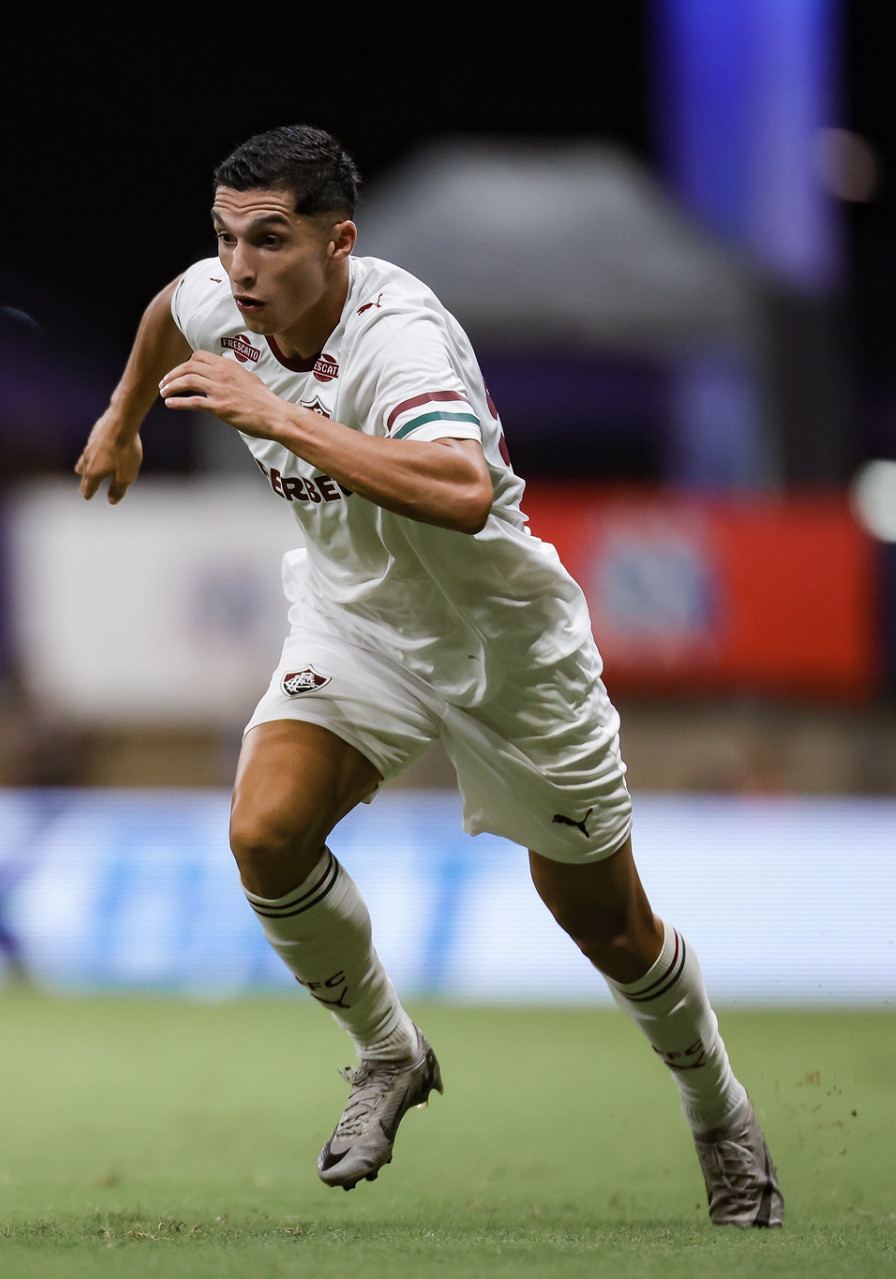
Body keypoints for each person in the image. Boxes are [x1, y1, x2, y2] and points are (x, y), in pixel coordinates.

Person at [73, 125, 782, 1227]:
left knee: (608, 923)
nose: (243, 266)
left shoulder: (396, 337)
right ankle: (390, 1053)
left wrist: (277, 416)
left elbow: (457, 486)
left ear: (339, 242)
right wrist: (122, 420)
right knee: (265, 832)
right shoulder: (220, 297)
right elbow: (168, 313)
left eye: (271, 239)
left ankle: (720, 1113)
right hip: (357, 626)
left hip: (505, 649)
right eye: (227, 238)